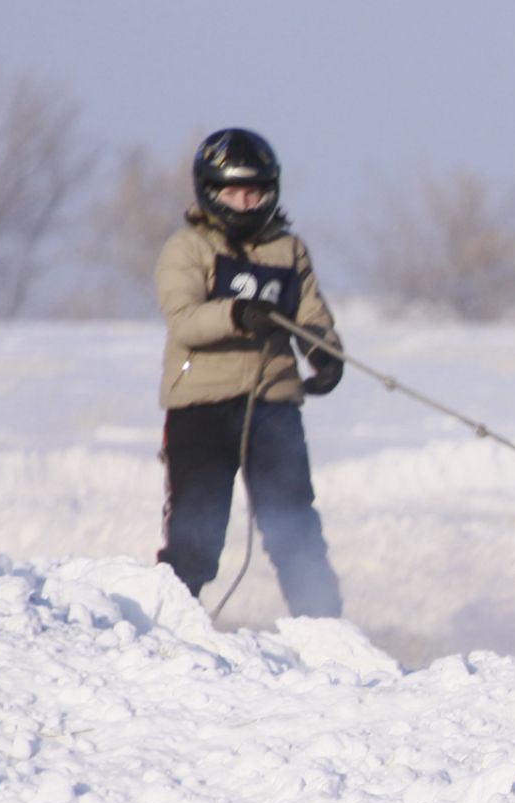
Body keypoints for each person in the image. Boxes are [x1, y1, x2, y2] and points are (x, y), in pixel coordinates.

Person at [153, 127, 344, 617]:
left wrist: (323, 353)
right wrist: (236, 314)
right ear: (211, 193)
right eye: (233, 192)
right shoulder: (187, 248)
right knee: (197, 530)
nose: (244, 202)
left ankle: (324, 629)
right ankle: (166, 629)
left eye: (255, 191)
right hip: (201, 408)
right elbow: (185, 320)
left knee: (294, 525)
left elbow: (311, 315)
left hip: (272, 403)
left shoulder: (289, 250)